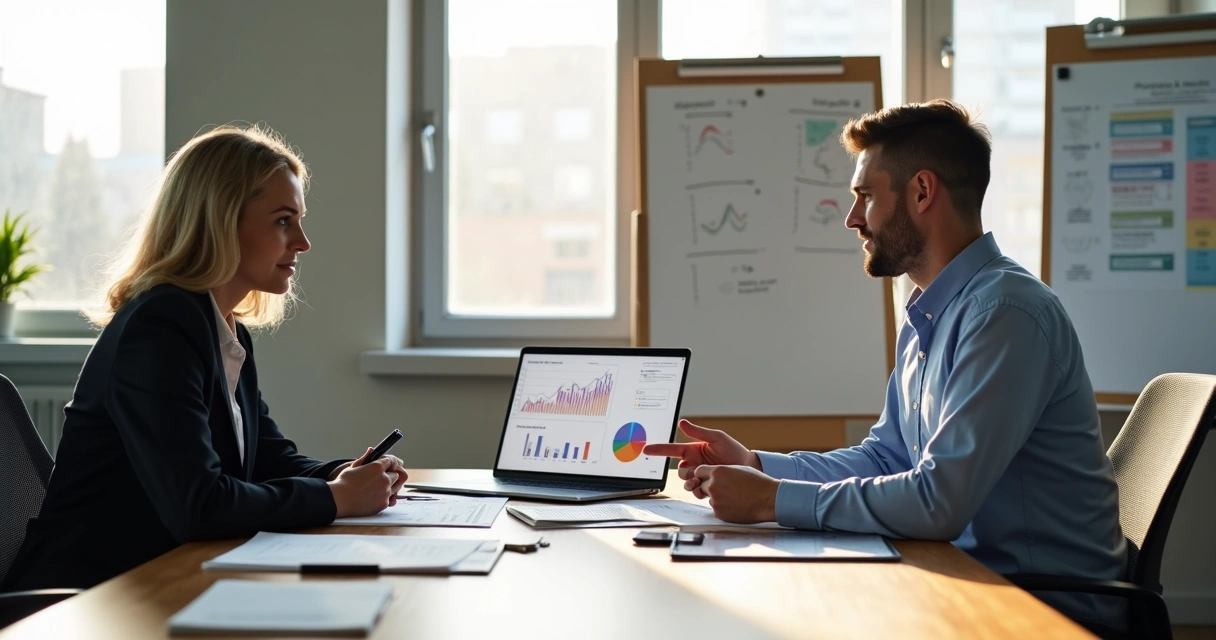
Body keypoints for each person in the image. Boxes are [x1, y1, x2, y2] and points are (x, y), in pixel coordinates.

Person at [644, 100, 1126, 625]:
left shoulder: (1004, 314)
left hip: (1040, 609)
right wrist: (757, 465)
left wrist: (771, 501)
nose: (852, 218)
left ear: (922, 191)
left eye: (865, 196)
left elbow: (938, 502)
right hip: (961, 575)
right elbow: (887, 457)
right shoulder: (934, 310)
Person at [2, 125, 408, 591]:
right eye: (282, 220)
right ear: (220, 221)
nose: (302, 241)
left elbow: (267, 460)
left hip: (157, 578)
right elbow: (200, 506)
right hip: (88, 600)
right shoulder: (159, 327)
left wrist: (342, 476)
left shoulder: (222, 326)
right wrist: (334, 499)